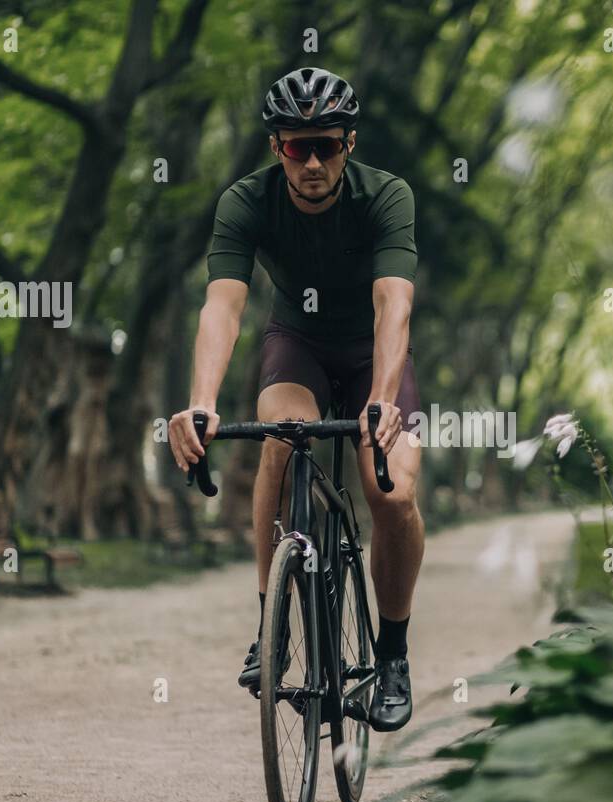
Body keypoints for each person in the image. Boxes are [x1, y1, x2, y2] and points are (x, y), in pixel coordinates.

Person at [168, 67, 422, 732]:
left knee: (391, 492)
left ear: (350, 143)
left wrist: (384, 400)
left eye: (327, 145)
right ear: (275, 145)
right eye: (295, 146)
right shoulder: (246, 202)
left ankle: (392, 658)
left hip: (373, 353)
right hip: (298, 343)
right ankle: (271, 626)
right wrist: (199, 403)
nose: (312, 161)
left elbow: (393, 303)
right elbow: (222, 308)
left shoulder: (386, 196)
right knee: (281, 439)